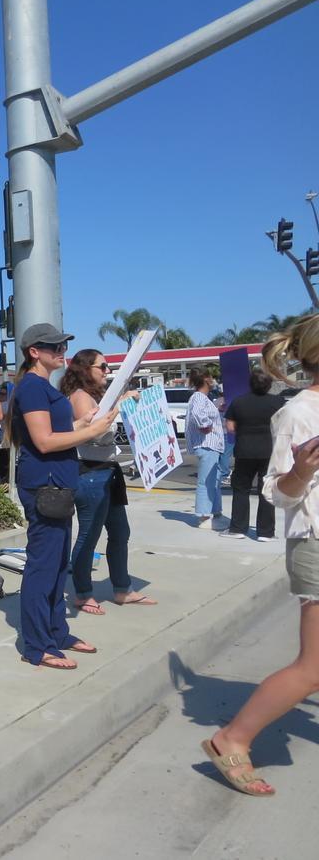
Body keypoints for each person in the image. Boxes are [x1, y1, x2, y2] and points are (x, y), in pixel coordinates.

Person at [203, 314, 319, 796]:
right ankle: (232, 737)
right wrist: (298, 473)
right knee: (314, 668)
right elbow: (276, 492)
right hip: (316, 540)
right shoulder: (298, 413)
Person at [5, 324, 117, 670]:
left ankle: (56, 631)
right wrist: (93, 430)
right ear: (33, 352)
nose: (60, 349)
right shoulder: (34, 389)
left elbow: (57, 432)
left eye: (62, 344)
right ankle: (37, 646)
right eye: (52, 345)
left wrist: (84, 423)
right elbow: (43, 441)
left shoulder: (44, 388)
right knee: (43, 566)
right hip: (45, 487)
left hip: (57, 485)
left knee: (56, 565)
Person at [60, 349, 156, 614]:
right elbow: (94, 434)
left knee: (120, 532)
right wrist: (118, 407)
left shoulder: (96, 396)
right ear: (85, 369)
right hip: (90, 473)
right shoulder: (80, 397)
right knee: (89, 535)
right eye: (102, 367)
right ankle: (82, 592)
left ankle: (122, 588)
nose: (107, 371)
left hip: (107, 471)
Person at [220, 370, 287, 542]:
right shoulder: (279, 402)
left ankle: (238, 528)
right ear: (269, 385)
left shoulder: (238, 402)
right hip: (269, 452)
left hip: (244, 451)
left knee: (241, 489)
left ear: (250, 384)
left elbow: (230, 428)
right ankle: (266, 532)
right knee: (266, 490)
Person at [186, 367, 228, 530]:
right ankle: (204, 516)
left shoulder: (205, 398)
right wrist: (206, 425)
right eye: (211, 377)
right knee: (207, 481)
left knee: (214, 480)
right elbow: (198, 415)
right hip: (206, 445)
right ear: (205, 379)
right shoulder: (198, 397)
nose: (213, 380)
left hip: (212, 445)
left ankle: (215, 512)